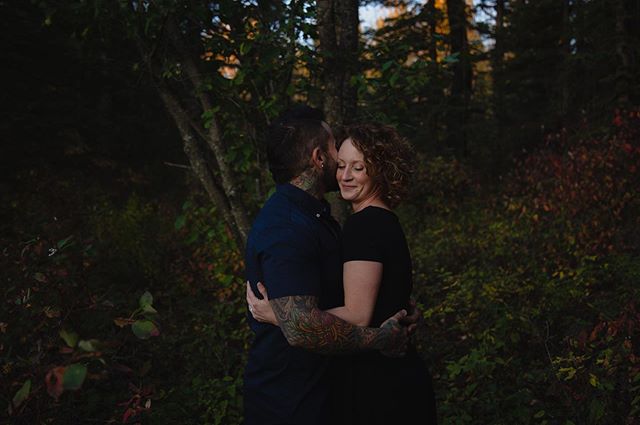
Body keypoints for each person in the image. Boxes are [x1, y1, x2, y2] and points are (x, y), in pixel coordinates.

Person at [247, 122, 438, 425]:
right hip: (384, 378)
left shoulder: (365, 226)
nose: (345, 176)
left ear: (380, 171)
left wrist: (279, 315)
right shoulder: (380, 220)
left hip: (381, 385)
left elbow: (358, 314)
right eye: (343, 165)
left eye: (358, 167)